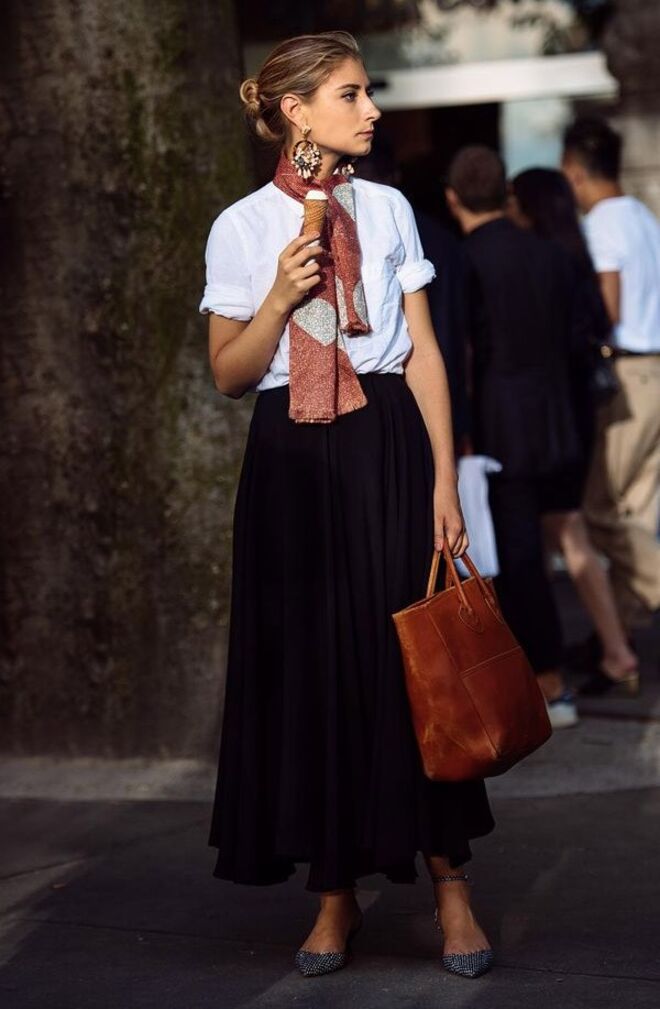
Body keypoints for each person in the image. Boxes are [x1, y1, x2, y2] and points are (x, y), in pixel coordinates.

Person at [199, 33, 494, 980]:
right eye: (351, 94)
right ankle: (334, 891)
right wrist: (278, 301)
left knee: (413, 665)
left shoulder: (391, 207)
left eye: (367, 92)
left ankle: (451, 884)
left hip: (389, 445)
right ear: (296, 111)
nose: (371, 110)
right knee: (315, 669)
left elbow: (424, 351)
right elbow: (228, 375)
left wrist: (445, 480)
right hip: (291, 458)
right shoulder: (241, 227)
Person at [446, 145, 587, 729]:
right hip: (556, 418)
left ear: (453, 198)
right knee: (536, 551)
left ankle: (543, 682)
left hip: (496, 426)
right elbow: (577, 339)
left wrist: (458, 430)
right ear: (505, 192)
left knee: (512, 557)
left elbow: (462, 353)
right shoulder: (549, 254)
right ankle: (545, 678)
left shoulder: (461, 261)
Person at [509, 168, 639, 696]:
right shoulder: (576, 257)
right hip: (575, 413)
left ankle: (607, 652)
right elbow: (599, 325)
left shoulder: (537, 261)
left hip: (543, 419)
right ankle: (605, 650)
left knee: (560, 532)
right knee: (566, 530)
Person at [562, 117, 660, 657]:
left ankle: (620, 635)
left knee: (600, 510)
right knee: (636, 511)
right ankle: (616, 645)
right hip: (655, 369)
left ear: (575, 173)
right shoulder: (643, 216)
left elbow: (610, 310)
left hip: (626, 377)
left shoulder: (601, 224)